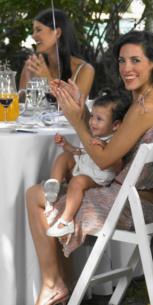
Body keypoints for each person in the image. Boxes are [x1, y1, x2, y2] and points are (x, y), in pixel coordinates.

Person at [20, 30, 153, 305]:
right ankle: (66, 283)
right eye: (122, 61)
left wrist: (74, 118)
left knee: (37, 195)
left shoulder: (144, 108)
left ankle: (53, 286)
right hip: (144, 201)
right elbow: (108, 149)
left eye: (136, 60)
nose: (126, 68)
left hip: (132, 206)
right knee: (59, 188)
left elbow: (104, 158)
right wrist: (81, 112)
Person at [43, 89, 131, 237]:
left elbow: (118, 166)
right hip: (82, 168)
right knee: (63, 157)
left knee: (77, 181)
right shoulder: (92, 134)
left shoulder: (114, 141)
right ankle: (54, 186)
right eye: (92, 116)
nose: (92, 122)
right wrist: (66, 146)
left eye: (99, 119)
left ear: (115, 125)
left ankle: (66, 221)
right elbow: (81, 152)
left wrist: (105, 147)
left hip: (96, 178)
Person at [18, 9, 94, 100]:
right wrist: (29, 84)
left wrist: (47, 80)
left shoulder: (84, 70)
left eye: (38, 30)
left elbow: (75, 111)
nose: (33, 36)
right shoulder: (34, 66)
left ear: (57, 33)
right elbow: (20, 106)